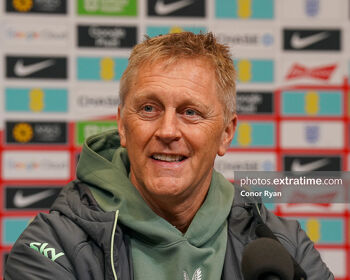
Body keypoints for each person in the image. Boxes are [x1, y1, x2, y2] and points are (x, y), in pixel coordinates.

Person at [5, 32, 333, 280]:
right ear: (121, 124)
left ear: (226, 133)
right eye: (149, 108)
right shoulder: (52, 245)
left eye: (190, 112)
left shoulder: (280, 244)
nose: (167, 130)